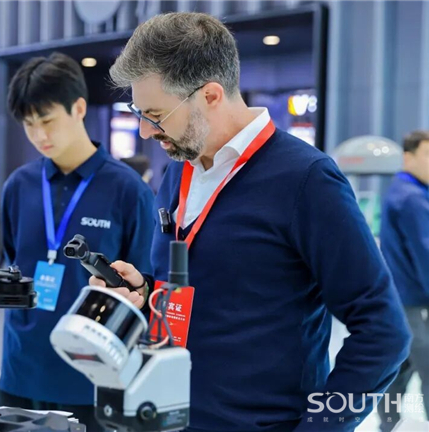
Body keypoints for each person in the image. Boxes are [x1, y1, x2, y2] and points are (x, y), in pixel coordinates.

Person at [88, 12, 412, 432]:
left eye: (156, 116)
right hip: (168, 414)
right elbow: (218, 292)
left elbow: (383, 332)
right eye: (139, 113)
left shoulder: (306, 180)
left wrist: (320, 427)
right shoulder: (178, 171)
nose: (146, 133)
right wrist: (146, 290)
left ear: (210, 95)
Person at [0, 52, 154, 431]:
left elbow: (145, 284)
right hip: (20, 372)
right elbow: (13, 262)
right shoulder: (19, 186)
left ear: (79, 108)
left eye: (47, 120)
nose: (39, 136)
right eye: (29, 124)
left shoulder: (127, 190)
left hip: (93, 379)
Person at [377, 130, 429, 432]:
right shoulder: (412, 198)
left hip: (402, 301)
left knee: (400, 370)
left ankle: (389, 425)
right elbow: (425, 255)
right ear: (407, 158)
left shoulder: (402, 190)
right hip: (416, 303)